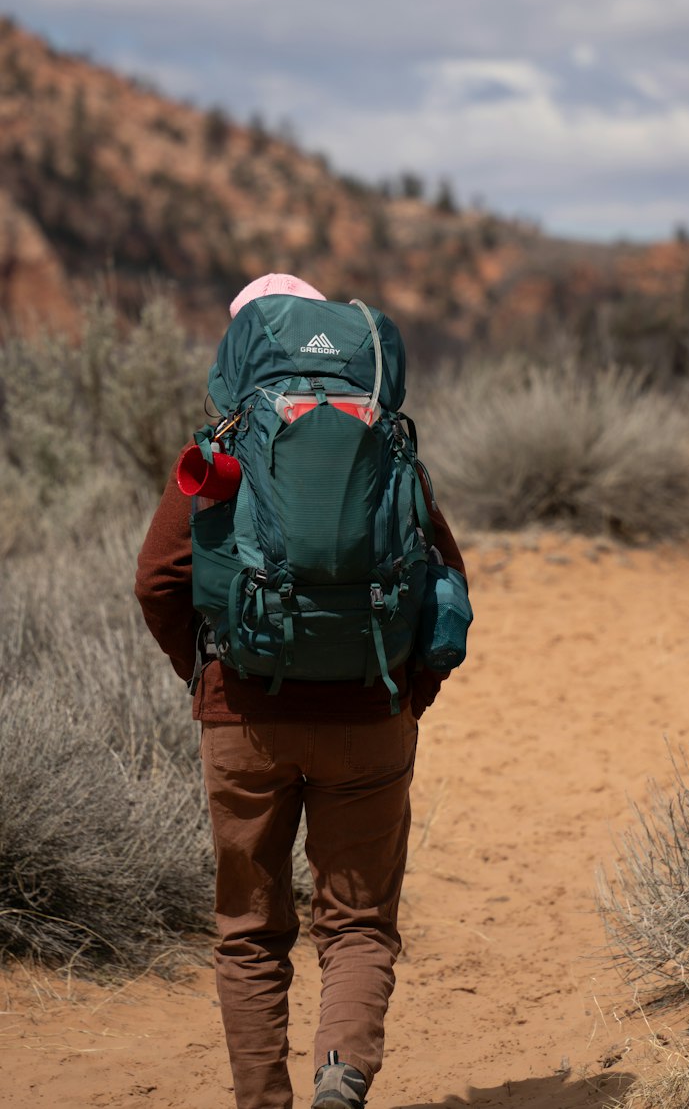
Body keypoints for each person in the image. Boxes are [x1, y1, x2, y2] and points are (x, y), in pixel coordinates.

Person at [135, 273, 468, 1109]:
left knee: (249, 933)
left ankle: (264, 1103)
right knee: (357, 922)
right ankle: (341, 1075)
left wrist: (206, 677)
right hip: (370, 714)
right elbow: (447, 585)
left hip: (243, 717)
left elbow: (156, 581)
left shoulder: (222, 449)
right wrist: (404, 691)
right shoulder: (385, 442)